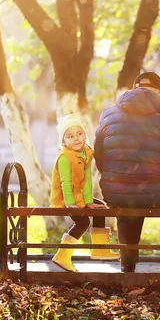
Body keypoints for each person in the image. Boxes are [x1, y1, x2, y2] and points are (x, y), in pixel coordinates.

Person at [94, 72, 160, 273]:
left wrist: (116, 181)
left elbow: (100, 157)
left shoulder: (108, 114)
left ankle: (128, 264)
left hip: (119, 193)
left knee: (126, 202)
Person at [50, 114, 119, 272]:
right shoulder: (64, 157)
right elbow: (65, 182)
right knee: (83, 222)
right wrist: (69, 202)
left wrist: (89, 202)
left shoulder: (86, 153)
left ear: (85, 134)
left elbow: (87, 180)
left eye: (79, 133)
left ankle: (99, 249)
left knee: (99, 207)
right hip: (65, 197)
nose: (76, 139)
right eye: (70, 136)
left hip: (78, 196)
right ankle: (62, 255)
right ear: (63, 141)